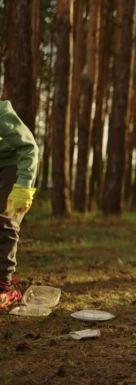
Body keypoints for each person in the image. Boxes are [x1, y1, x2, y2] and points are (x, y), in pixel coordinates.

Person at [0, 100, 39, 310]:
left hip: (16, 163)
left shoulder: (2, 114)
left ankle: (4, 287)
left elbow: (29, 148)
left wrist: (23, 185)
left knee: (4, 219)